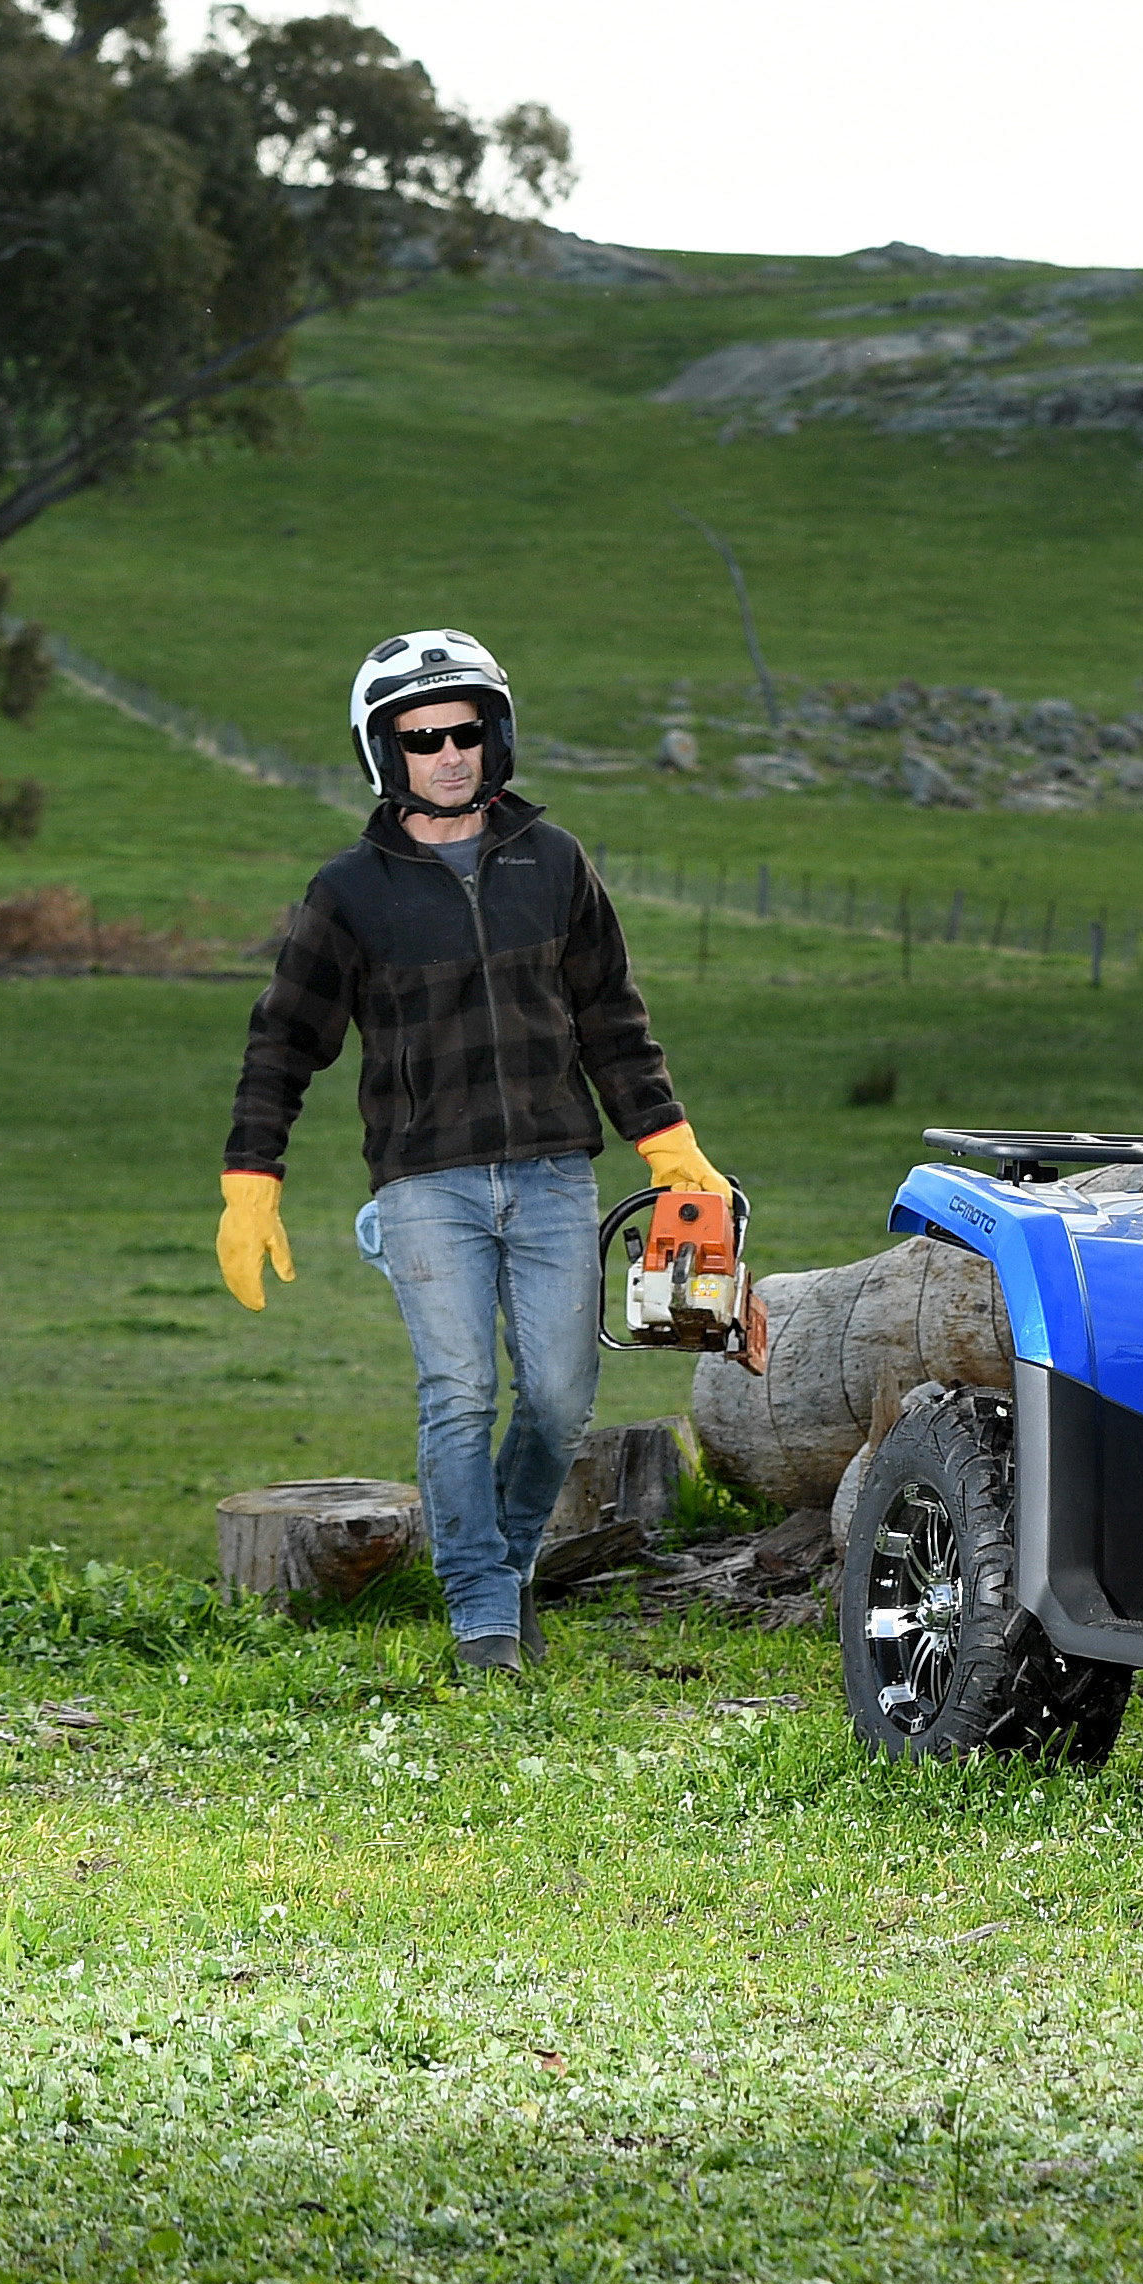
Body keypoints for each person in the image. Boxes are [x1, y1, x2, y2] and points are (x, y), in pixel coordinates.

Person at [215, 627, 723, 1675]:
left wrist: (670, 1149)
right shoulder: (349, 892)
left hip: (550, 1173)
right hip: (425, 1180)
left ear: (499, 736)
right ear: (383, 754)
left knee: (556, 1398)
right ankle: (485, 1613)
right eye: (420, 738)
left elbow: (613, 1022)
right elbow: (283, 1042)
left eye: (466, 731)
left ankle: (507, 1555)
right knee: (460, 1392)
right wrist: (250, 1182)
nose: (447, 753)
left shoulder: (556, 863)